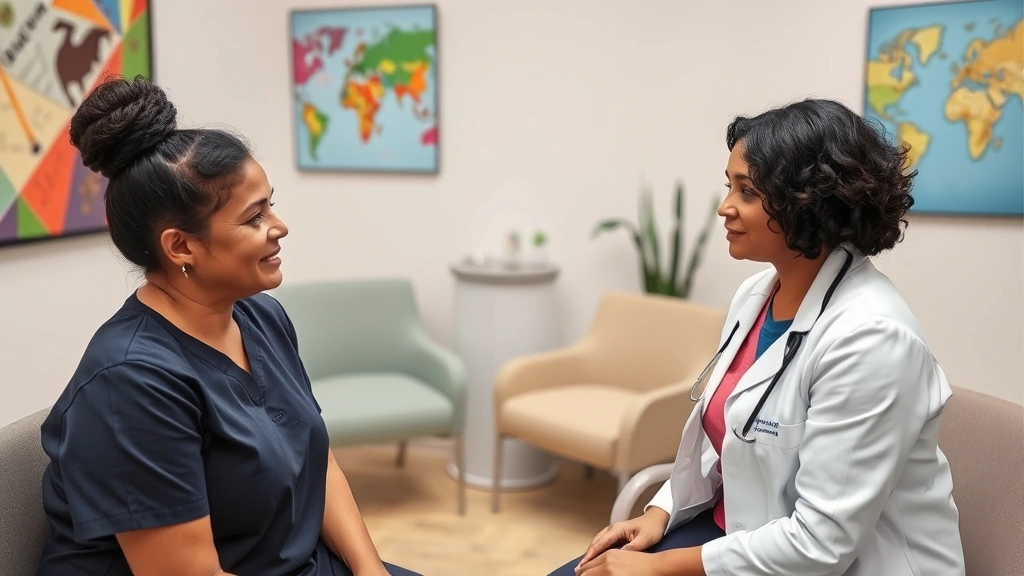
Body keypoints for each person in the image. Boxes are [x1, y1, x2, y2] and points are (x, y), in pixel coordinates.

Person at [551, 99, 966, 576]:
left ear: (809, 202)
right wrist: (659, 512)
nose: (724, 207)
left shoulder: (872, 338)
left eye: (746, 191)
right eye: (729, 186)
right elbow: (725, 439)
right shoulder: (756, 296)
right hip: (744, 536)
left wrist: (658, 568)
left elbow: (821, 544)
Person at [35, 76, 419, 576]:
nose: (279, 227)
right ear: (181, 247)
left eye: (271, 205)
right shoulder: (131, 383)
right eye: (254, 217)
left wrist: (373, 573)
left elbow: (315, 462)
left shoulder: (260, 316)